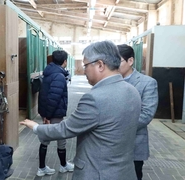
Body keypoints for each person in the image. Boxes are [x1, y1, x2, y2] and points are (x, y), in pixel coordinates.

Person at [20, 40, 142, 180]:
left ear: (100, 65)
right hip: (125, 172)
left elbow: (66, 129)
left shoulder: (94, 98)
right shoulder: (133, 91)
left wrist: (36, 127)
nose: (84, 71)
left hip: (96, 173)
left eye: (86, 66)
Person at [117, 44, 159, 180]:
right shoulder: (107, 81)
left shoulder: (147, 83)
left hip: (133, 144)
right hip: (108, 146)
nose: (113, 65)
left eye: (117, 61)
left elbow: (146, 114)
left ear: (130, 61)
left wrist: (115, 127)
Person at [36, 50, 74, 177]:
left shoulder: (50, 71)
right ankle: (62, 166)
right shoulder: (58, 76)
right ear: (64, 61)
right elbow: (54, 97)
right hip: (53, 113)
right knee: (60, 140)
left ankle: (42, 167)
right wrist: (48, 116)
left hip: (47, 111)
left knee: (45, 139)